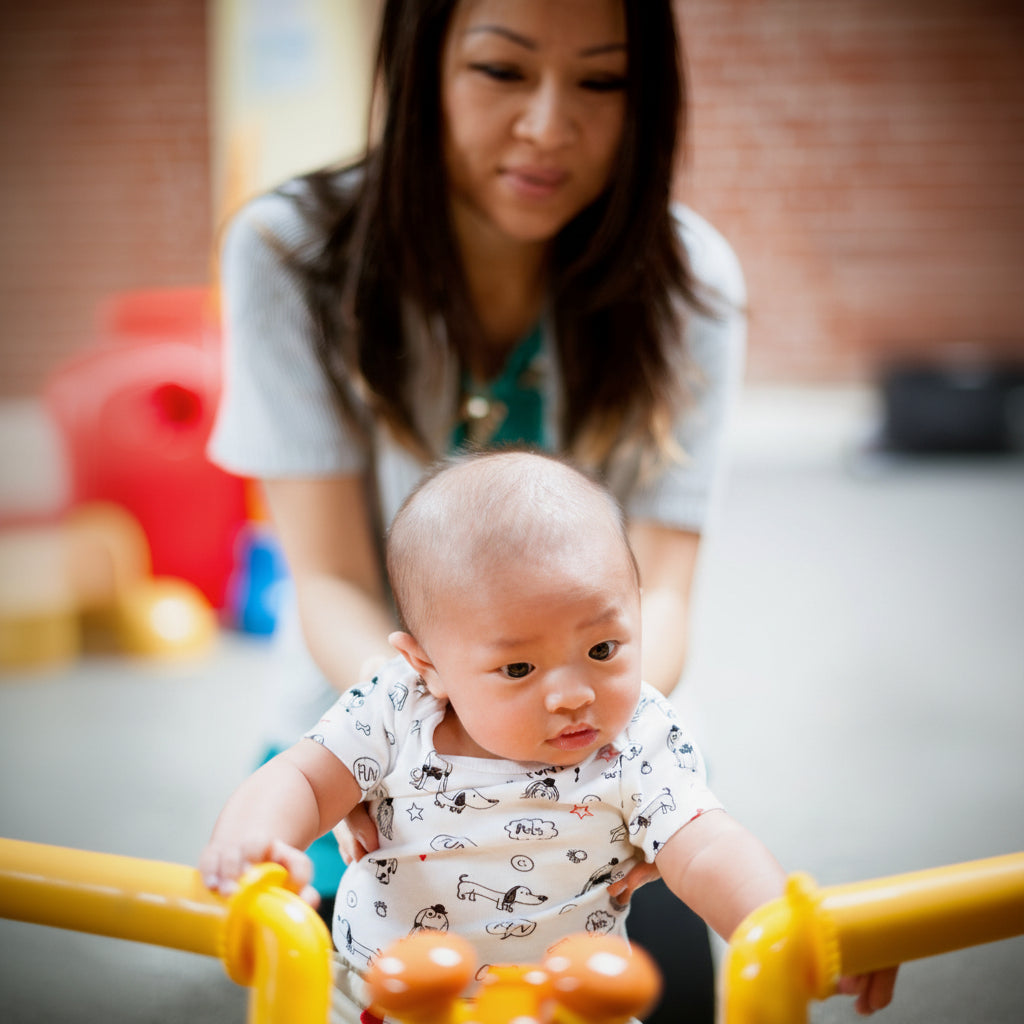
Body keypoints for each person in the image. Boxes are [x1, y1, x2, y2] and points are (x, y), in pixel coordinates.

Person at [209, 1, 742, 1019]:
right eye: (502, 71)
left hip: (599, 745)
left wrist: (594, 731)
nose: (548, 125)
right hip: (371, 719)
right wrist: (416, 730)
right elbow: (325, 576)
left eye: (601, 81)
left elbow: (663, 591)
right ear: (419, 67)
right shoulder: (290, 249)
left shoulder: (692, 282)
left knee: (661, 979)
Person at [201, 451, 897, 1023]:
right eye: (518, 667)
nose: (573, 694)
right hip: (380, 999)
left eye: (603, 649)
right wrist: (258, 838)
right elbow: (299, 776)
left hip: (570, 1006)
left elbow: (707, 844)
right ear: (428, 667)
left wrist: (789, 929)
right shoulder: (394, 706)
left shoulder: (637, 737)